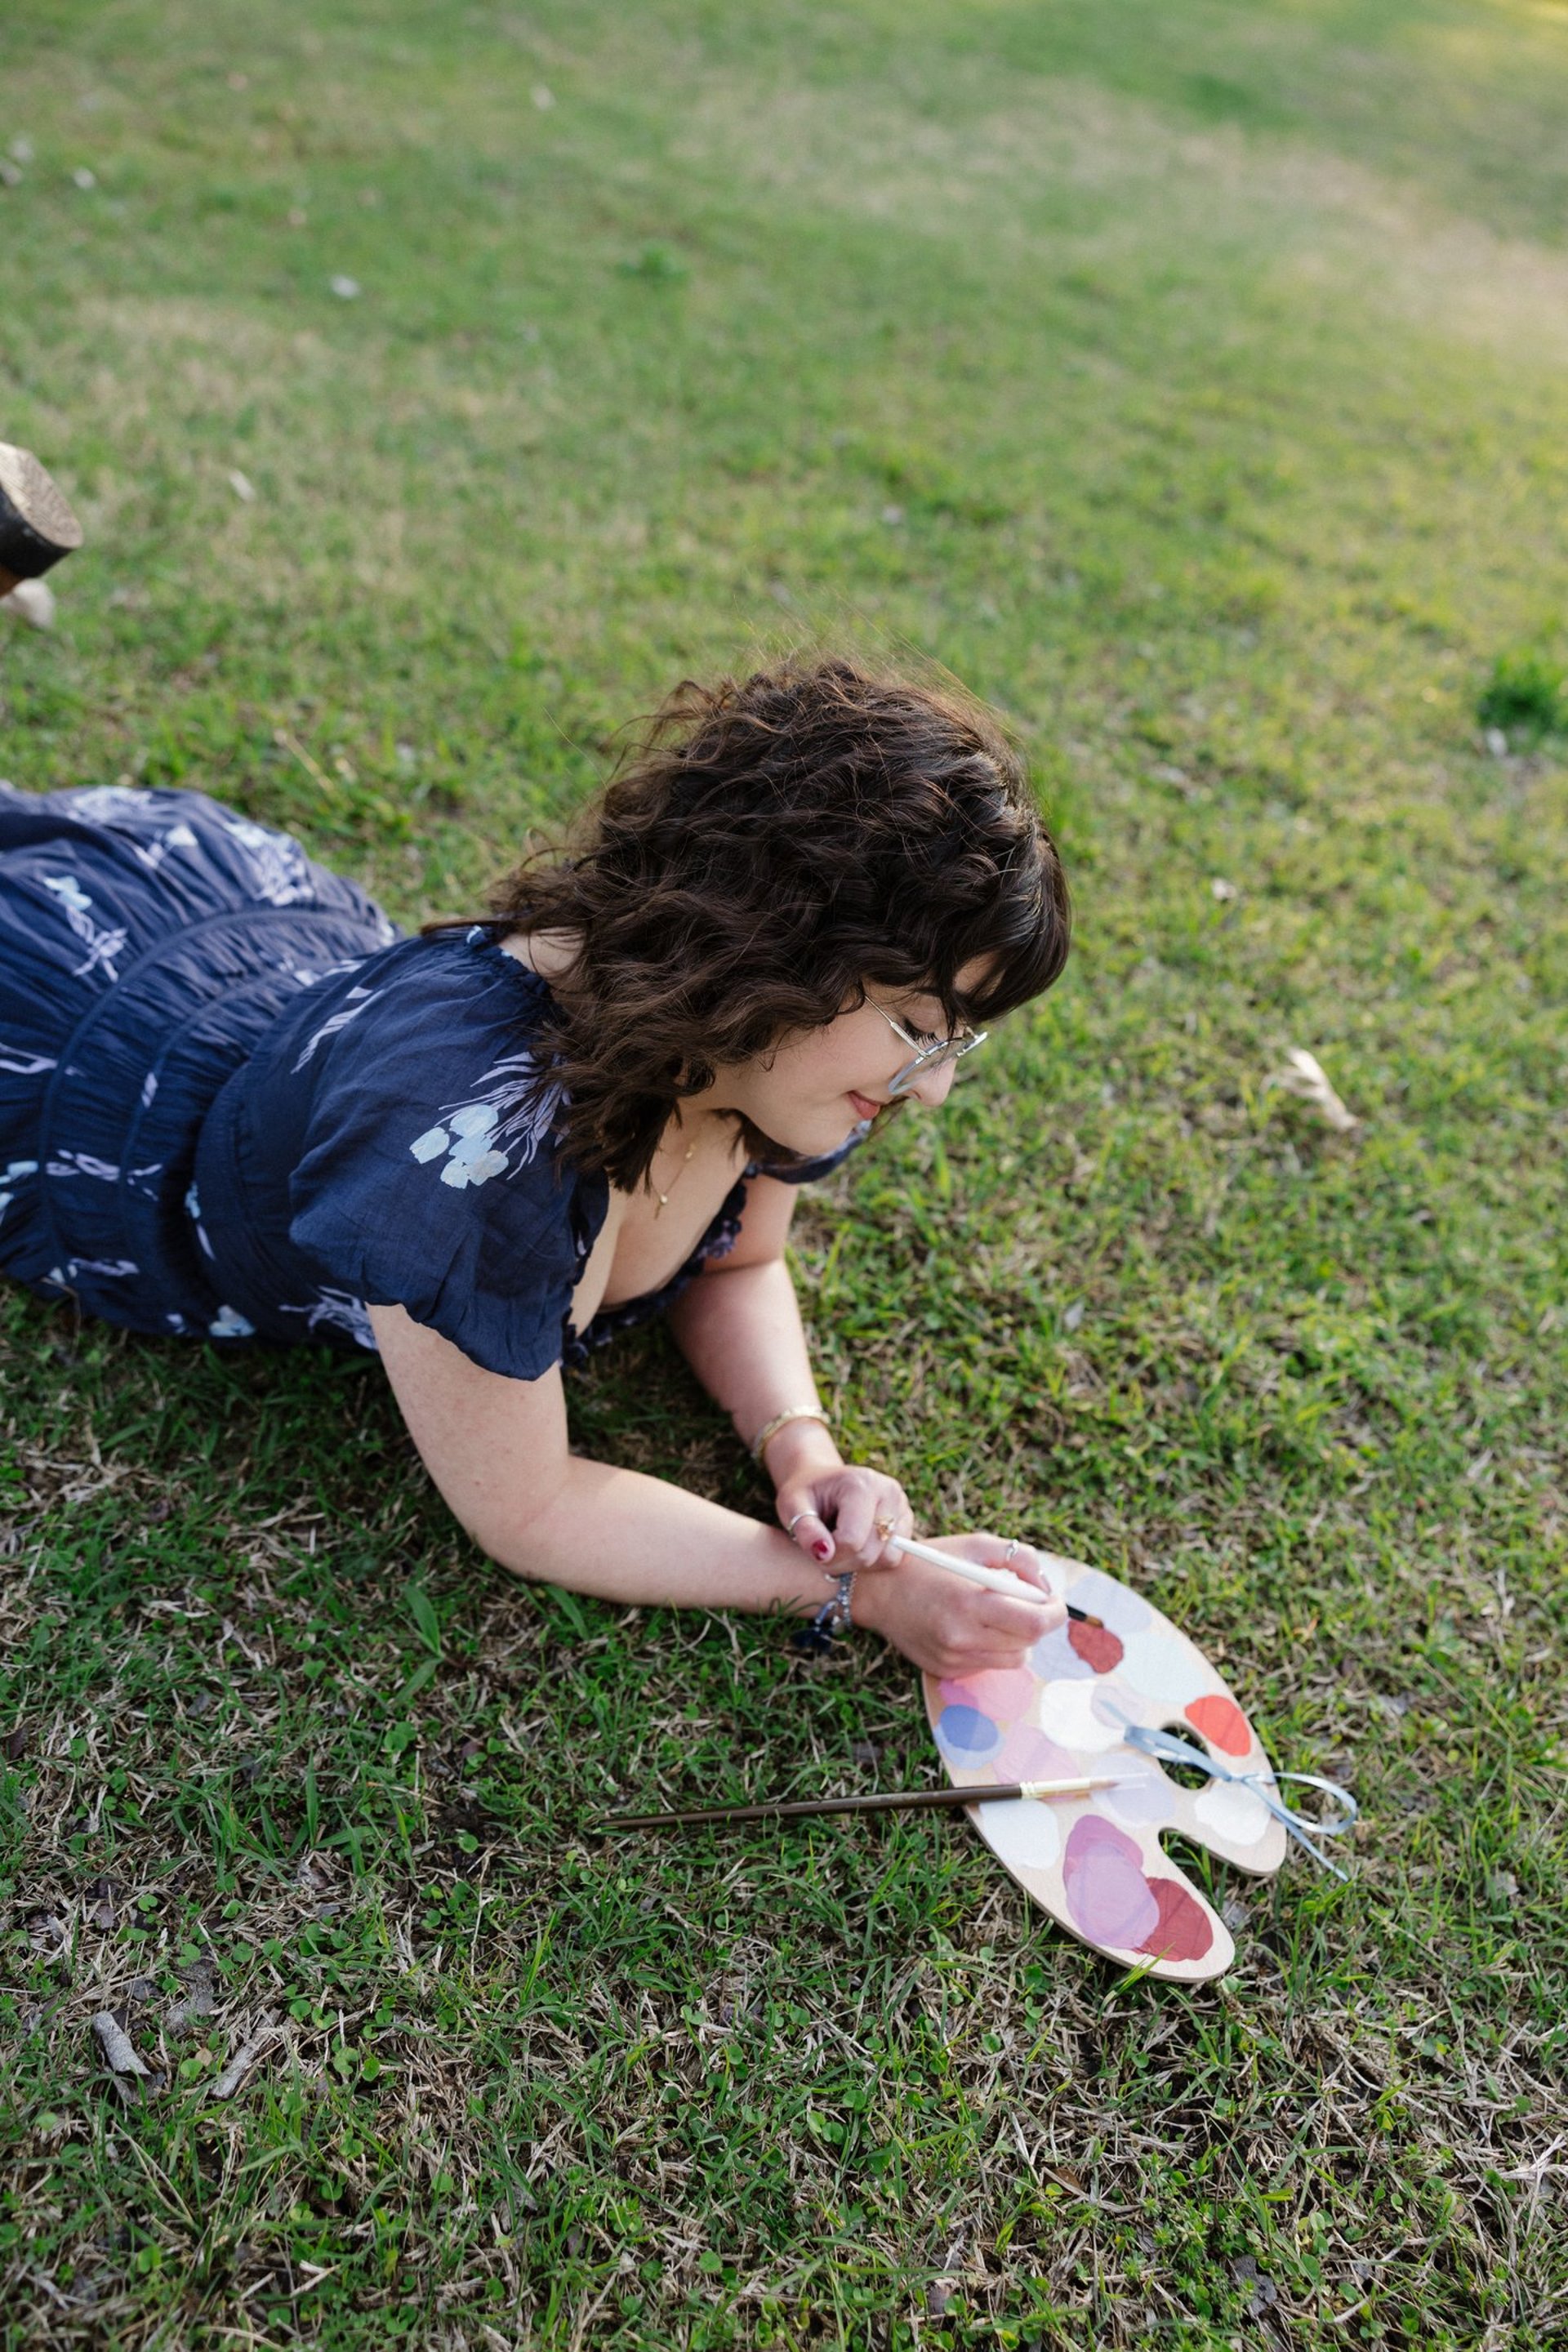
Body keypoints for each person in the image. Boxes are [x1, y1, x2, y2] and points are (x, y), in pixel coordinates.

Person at [0, 656, 1072, 1673]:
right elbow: (531, 1507)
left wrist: (804, 1453)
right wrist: (864, 1593)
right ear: (776, 942)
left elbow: (741, 1263)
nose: (930, 1089)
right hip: (74, 1055)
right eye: (917, 1029)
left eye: (956, 1043)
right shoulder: (476, 1147)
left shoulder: (765, 1061)